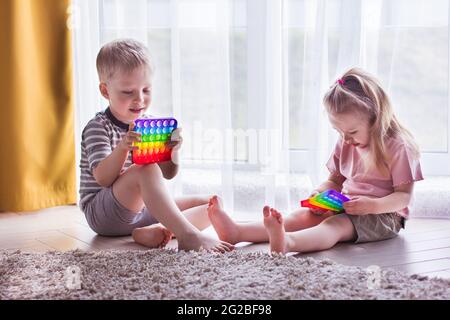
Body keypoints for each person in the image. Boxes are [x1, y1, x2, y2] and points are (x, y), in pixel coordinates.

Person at [207, 67, 423, 254]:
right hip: (347, 205)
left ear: (376, 118)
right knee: (302, 216)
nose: (345, 139)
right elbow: (335, 180)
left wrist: (372, 205)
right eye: (338, 131)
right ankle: (237, 232)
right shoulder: (347, 141)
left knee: (334, 225)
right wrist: (320, 192)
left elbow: (403, 197)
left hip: (384, 215)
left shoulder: (398, 147)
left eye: (352, 131)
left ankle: (287, 243)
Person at [79, 38, 234, 252]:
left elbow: (168, 174)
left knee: (213, 204)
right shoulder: (97, 127)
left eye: (146, 90)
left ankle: (159, 229)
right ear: (106, 91)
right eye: (128, 92)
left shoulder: (149, 124)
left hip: (141, 209)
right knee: (146, 169)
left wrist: (173, 151)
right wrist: (123, 147)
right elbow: (103, 178)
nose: (139, 99)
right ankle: (186, 234)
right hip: (104, 213)